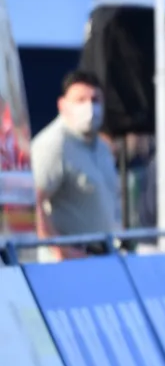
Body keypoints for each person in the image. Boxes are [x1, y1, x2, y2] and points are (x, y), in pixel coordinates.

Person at [30, 70, 120, 262]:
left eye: (95, 99)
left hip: (102, 256)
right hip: (69, 262)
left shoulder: (102, 147)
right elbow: (31, 203)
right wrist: (59, 249)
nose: (89, 107)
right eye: (80, 100)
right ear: (62, 105)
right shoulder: (53, 145)